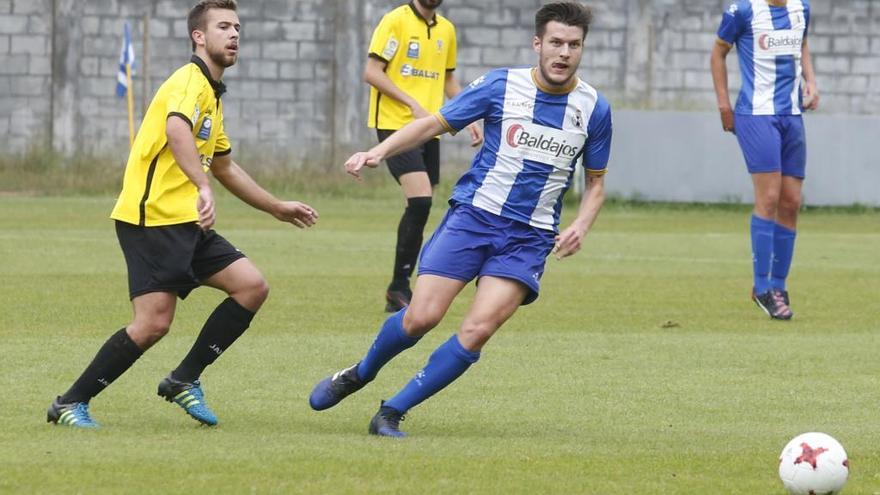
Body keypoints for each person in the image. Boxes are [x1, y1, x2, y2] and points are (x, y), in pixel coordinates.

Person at [310, 2, 611, 438]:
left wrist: (581, 224)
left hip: (528, 238)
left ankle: (391, 412)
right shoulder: (500, 85)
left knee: (477, 329)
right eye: (556, 43)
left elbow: (597, 184)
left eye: (574, 45)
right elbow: (432, 124)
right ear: (538, 44)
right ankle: (359, 372)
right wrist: (378, 151)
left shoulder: (595, 108)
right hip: (474, 218)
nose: (564, 53)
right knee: (420, 318)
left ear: (582, 48)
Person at [46, 0, 318, 428]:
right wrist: (202, 185)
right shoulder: (188, 82)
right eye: (223, 26)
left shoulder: (211, 94)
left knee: (251, 286)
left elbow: (225, 164)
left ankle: (183, 379)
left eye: (237, 28)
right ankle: (69, 403)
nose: (234, 35)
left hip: (187, 222)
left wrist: (276, 207)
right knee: (153, 324)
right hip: (152, 219)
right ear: (199, 36)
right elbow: (177, 131)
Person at [364, 0, 483, 312]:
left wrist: (469, 116)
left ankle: (403, 286)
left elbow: (448, 80)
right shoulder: (395, 21)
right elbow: (372, 72)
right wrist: (412, 104)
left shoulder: (447, 29)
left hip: (429, 129)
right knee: (420, 201)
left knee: (420, 206)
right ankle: (399, 286)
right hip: (394, 125)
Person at [710, 0, 817, 320]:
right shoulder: (742, 11)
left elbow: (803, 43)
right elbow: (717, 54)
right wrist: (723, 106)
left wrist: (811, 81)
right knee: (769, 198)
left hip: (792, 116)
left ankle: (778, 286)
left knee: (792, 201)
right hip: (756, 116)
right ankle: (761, 287)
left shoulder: (802, 8)